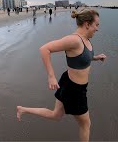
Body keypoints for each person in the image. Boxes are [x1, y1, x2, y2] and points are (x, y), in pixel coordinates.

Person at [16, 9, 106, 141]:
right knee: (86, 124)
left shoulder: (85, 39)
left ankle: (23, 109)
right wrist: (51, 76)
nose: (97, 29)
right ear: (87, 24)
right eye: (96, 25)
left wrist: (96, 57)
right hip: (75, 90)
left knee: (56, 115)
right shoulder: (74, 40)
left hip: (69, 82)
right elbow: (44, 49)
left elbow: (82, 57)